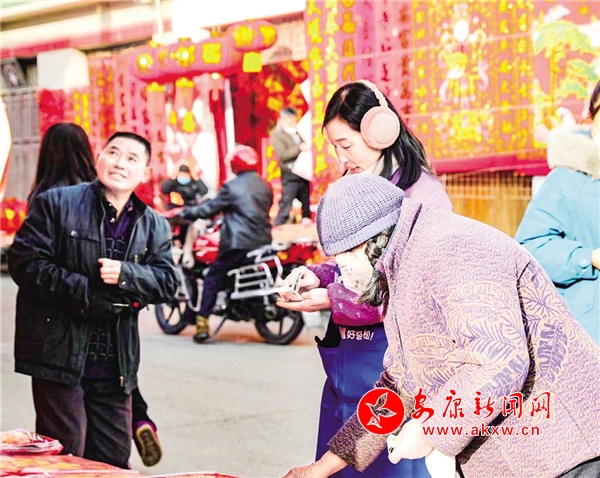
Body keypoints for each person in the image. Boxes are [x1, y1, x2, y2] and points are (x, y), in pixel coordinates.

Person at [284, 174, 600, 478]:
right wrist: (322, 468)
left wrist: (429, 429)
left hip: (565, 451)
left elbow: (500, 360)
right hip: (523, 453)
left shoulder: (452, 249)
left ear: (374, 239)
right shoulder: (400, 263)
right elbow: (399, 386)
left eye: (347, 253)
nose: (342, 265)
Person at [278, 80, 452, 478]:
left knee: (389, 459)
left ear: (380, 131)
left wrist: (331, 298)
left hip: (394, 362)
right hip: (349, 364)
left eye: (346, 144)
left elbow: (410, 287)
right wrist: (316, 274)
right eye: (334, 147)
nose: (341, 157)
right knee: (339, 459)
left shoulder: (422, 196)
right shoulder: (358, 183)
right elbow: (354, 265)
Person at [8, 131, 179, 469]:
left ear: (145, 173)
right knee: (67, 458)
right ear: (98, 158)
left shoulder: (153, 225)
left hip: (116, 365)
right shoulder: (56, 203)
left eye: (131, 158)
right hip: (60, 356)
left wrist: (127, 274)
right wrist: (86, 293)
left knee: (114, 461)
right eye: (113, 153)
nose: (119, 163)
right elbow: (25, 263)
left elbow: (168, 283)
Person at [515, 80, 600, 344]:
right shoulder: (569, 177)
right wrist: (589, 257)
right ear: (592, 116)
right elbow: (530, 246)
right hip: (589, 334)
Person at [177, 145, 273, 343]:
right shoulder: (265, 185)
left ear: (234, 165)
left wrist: (185, 213)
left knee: (213, 277)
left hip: (237, 244)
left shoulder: (231, 187)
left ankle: (202, 322)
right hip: (262, 242)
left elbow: (208, 209)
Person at [271, 106, 312, 226]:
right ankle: (279, 223)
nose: (294, 121)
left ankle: (306, 219)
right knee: (287, 199)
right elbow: (283, 155)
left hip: (303, 171)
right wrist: (299, 148)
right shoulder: (277, 134)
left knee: (305, 199)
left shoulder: (298, 131)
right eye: (291, 119)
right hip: (290, 172)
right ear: (285, 119)